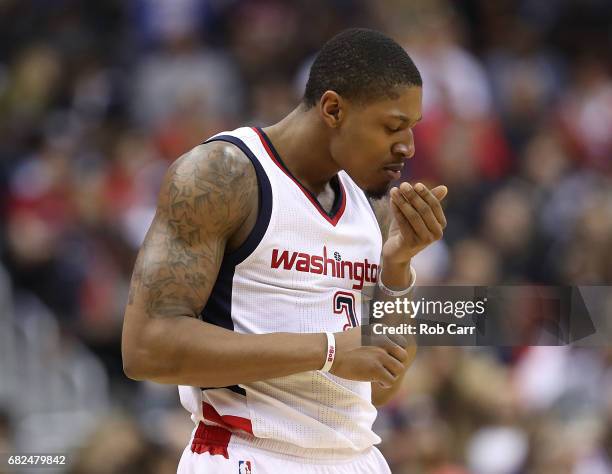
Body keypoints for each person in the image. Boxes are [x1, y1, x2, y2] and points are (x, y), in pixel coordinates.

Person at [121, 28, 447, 473]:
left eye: (412, 128)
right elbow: (146, 349)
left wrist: (398, 269)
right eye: (392, 126)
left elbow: (382, 386)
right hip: (248, 452)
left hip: (356, 459)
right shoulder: (223, 174)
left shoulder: (374, 208)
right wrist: (328, 350)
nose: (407, 146)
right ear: (333, 108)